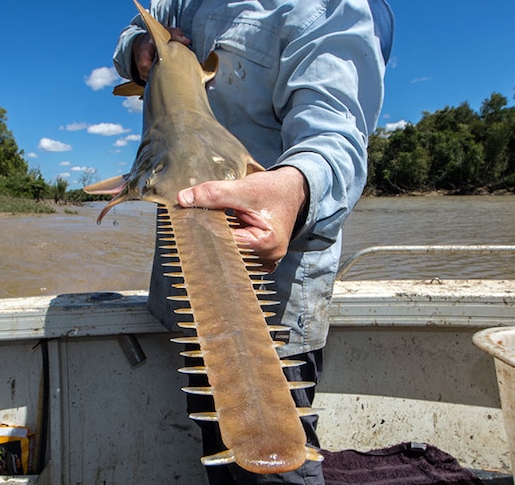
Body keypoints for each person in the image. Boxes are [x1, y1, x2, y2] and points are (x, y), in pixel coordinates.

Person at [114, 1, 393, 483]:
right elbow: (132, 33)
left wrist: (295, 189)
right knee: (218, 443)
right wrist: (140, 49)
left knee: (271, 460)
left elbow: (338, 131)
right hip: (187, 285)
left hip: (276, 286)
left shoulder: (327, 8)